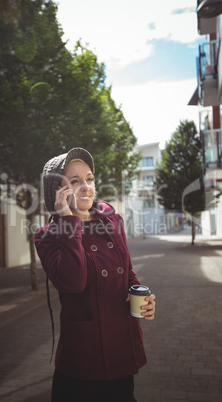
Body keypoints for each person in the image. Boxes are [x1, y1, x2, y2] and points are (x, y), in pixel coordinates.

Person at [34, 147, 156, 402]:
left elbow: (128, 272)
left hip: (121, 348)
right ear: (56, 192)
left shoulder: (113, 220)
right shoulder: (48, 235)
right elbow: (74, 282)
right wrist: (67, 220)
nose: (86, 187)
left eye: (89, 178)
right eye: (74, 182)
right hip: (82, 360)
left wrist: (142, 296)